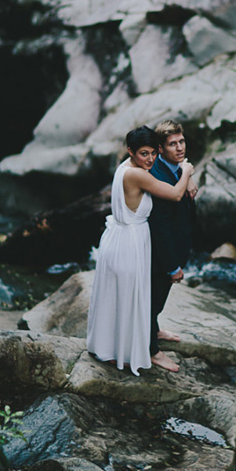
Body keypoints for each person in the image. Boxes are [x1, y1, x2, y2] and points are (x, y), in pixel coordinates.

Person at [86, 125, 194, 376]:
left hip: (120, 238)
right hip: (129, 244)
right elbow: (176, 195)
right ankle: (140, 351)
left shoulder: (129, 166)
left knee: (124, 297)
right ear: (131, 151)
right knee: (130, 298)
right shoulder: (138, 175)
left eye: (153, 153)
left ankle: (138, 336)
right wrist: (188, 171)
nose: (150, 159)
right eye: (144, 154)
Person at [148, 119, 197, 373]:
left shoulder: (174, 167)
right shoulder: (157, 174)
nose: (179, 148)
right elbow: (161, 229)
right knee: (151, 300)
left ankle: (154, 331)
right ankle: (151, 351)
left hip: (176, 245)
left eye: (181, 141)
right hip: (159, 253)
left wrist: (187, 176)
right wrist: (172, 266)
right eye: (172, 144)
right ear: (160, 148)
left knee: (158, 298)